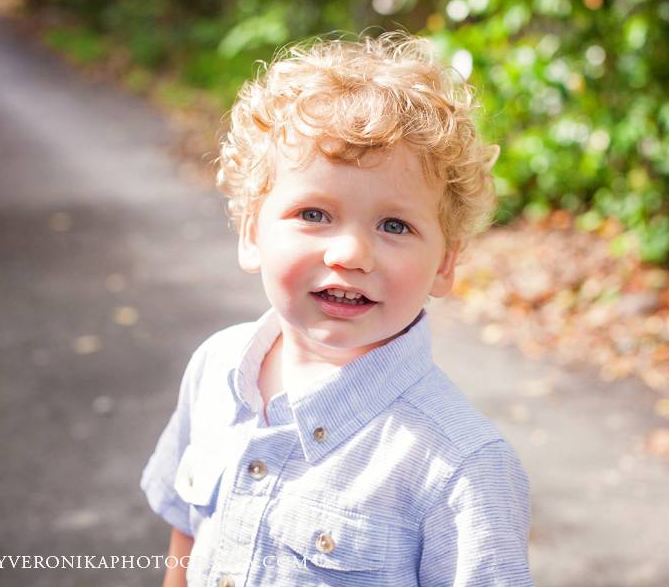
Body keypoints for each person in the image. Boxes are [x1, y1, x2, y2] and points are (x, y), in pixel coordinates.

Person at [140, 32, 534, 587]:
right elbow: (186, 527)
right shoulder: (216, 367)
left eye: (394, 225)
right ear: (251, 233)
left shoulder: (461, 469)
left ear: (445, 265)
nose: (350, 253)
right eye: (314, 213)